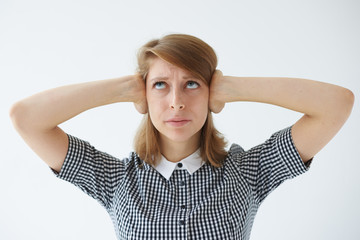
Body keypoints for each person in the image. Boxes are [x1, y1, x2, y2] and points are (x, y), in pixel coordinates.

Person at [10, 34, 354, 240]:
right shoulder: (114, 179)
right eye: (160, 85)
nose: (176, 101)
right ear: (144, 94)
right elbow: (25, 118)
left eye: (192, 84)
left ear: (210, 92)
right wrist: (124, 88)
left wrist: (231, 87)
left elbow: (337, 105)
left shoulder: (249, 171)